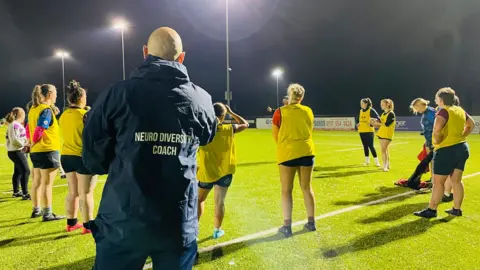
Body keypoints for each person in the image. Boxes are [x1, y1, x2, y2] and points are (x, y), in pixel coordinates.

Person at [82, 27, 217, 270]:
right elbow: (207, 137)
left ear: (145, 53)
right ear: (182, 57)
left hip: (123, 219)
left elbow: (93, 159)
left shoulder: (117, 93)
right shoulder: (201, 98)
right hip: (176, 222)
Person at [415, 88, 475, 218]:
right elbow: (471, 124)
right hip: (462, 147)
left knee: (438, 182)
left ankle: (432, 210)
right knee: (456, 181)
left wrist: (438, 141)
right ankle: (456, 209)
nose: (435, 100)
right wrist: (463, 135)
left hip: (447, 150)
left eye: (436, 98)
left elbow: (436, 130)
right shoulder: (459, 109)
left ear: (441, 100)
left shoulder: (443, 111)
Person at [197, 103, 249, 239]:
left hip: (206, 172)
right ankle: (216, 231)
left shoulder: (204, 129)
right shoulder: (229, 128)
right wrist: (232, 112)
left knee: (199, 200)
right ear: (223, 115)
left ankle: (193, 232)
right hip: (225, 171)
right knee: (219, 202)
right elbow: (245, 124)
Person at [272, 83, 316, 238]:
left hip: (287, 153)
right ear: (301, 97)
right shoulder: (308, 111)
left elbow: (275, 135)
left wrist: (285, 145)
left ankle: (287, 225)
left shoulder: (279, 112)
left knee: (286, 190)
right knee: (307, 187)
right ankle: (311, 223)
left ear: (289, 96)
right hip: (307, 151)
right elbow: (310, 129)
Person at [60, 80, 97, 234]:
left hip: (66, 156)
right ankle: (88, 226)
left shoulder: (64, 115)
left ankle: (71, 223)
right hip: (82, 157)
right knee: (86, 193)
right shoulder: (85, 115)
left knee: (72, 191)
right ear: (81, 98)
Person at [27, 84, 65, 221]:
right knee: (47, 184)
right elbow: (39, 129)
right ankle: (47, 213)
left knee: (36, 182)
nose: (56, 95)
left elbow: (28, 128)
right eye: (55, 93)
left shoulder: (33, 109)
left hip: (36, 152)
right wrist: (33, 141)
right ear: (49, 94)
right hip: (47, 150)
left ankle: (36, 209)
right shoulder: (46, 110)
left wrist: (30, 143)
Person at [395, 98, 436, 189]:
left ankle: (435, 180)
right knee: (430, 161)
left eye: (416, 108)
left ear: (421, 104)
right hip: (429, 140)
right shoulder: (427, 112)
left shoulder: (430, 113)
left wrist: (434, 140)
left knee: (432, 160)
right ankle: (433, 178)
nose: (417, 110)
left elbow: (436, 126)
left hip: (433, 141)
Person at [6, 107, 31, 200]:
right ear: (21, 115)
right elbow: (14, 139)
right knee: (26, 171)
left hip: (16, 150)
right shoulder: (14, 124)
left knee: (18, 171)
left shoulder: (15, 124)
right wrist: (24, 145)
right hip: (16, 151)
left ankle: (16, 192)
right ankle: (25, 194)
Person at [373, 99, 396, 172]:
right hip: (381, 133)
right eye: (381, 104)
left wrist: (377, 123)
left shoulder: (391, 114)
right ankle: (387, 165)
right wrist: (374, 122)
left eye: (382, 104)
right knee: (385, 150)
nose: (381, 106)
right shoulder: (383, 114)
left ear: (388, 105)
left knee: (384, 150)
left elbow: (387, 124)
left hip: (387, 134)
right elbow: (381, 124)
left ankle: (385, 166)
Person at [357, 98, 381, 166]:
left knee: (371, 146)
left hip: (369, 131)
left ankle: (377, 162)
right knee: (365, 146)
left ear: (366, 104)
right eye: (360, 103)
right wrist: (357, 123)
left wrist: (372, 122)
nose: (361, 104)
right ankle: (367, 161)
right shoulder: (361, 111)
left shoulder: (371, 110)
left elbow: (378, 118)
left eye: (362, 103)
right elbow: (357, 119)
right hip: (361, 131)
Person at [51, 105, 67, 180]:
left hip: (58, 142)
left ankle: (62, 172)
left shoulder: (56, 120)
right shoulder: (52, 120)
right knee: (57, 159)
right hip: (54, 144)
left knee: (58, 158)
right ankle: (62, 173)